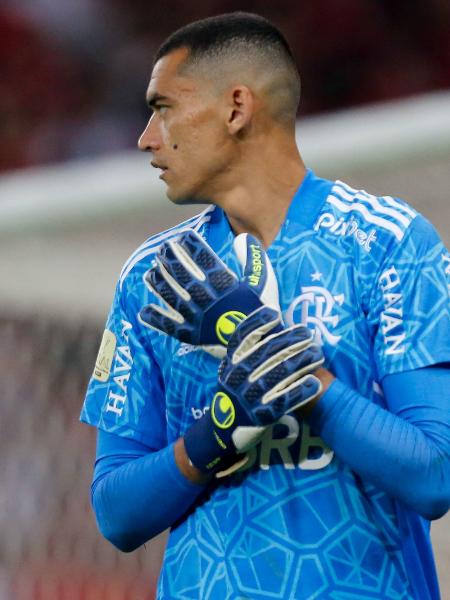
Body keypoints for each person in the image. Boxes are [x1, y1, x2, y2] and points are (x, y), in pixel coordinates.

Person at [80, 12, 450, 600]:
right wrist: (217, 431)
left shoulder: (388, 243)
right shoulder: (155, 278)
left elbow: (434, 475)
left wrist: (286, 369)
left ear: (235, 108)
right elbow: (116, 514)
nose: (147, 137)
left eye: (164, 107)